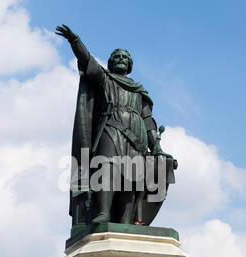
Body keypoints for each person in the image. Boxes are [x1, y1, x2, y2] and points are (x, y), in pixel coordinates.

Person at [55, 25, 177, 226]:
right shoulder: (105, 79)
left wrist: (156, 146)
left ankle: (125, 219)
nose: (121, 59)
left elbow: (148, 121)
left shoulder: (139, 91)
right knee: (107, 168)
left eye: (125, 57)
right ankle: (103, 212)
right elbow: (87, 61)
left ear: (130, 65)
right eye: (117, 56)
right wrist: (75, 41)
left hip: (137, 138)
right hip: (111, 129)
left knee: (132, 177)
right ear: (110, 63)